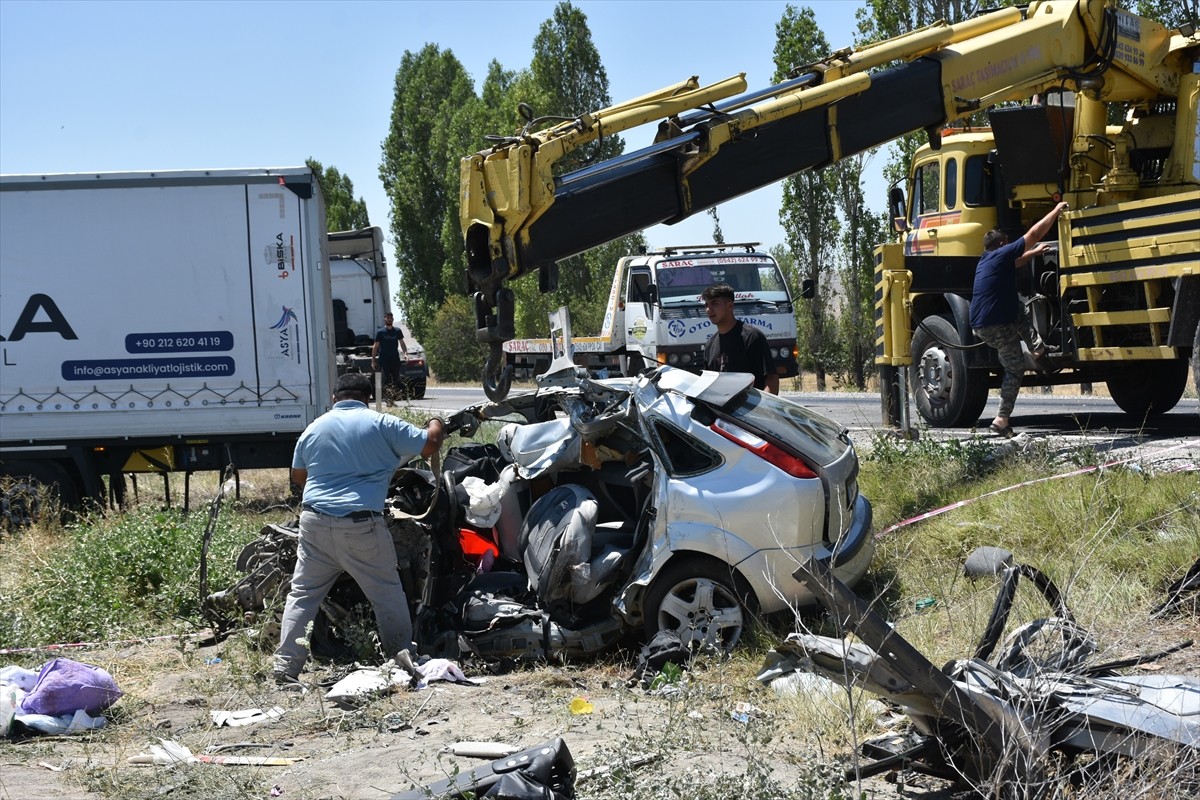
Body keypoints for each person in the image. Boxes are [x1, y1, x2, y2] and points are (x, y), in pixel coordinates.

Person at [272, 372, 444, 687]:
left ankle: (285, 670)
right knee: (386, 592)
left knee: (303, 595)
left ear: (335, 398)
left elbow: (298, 476)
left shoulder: (313, 428)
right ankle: (401, 657)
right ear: (367, 398)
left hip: (313, 523)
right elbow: (430, 445)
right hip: (360, 525)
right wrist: (436, 422)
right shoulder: (382, 424)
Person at [969, 201, 1069, 437]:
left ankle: (1037, 348)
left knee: (1019, 309)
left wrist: (1033, 254)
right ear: (1003, 244)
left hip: (981, 326)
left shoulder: (986, 260)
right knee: (1014, 369)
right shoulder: (1003, 252)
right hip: (997, 326)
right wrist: (1055, 211)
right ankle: (1002, 419)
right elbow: (1033, 234)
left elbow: (1015, 262)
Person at [701, 284, 779, 394]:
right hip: (722, 411)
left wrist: (763, 408)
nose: (709, 309)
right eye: (706, 305)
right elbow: (707, 386)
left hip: (750, 409)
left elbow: (771, 378)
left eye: (714, 303)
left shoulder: (752, 337)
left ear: (730, 305)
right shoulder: (709, 345)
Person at [371, 312, 407, 396]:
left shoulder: (397, 331)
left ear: (393, 319)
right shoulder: (380, 332)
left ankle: (394, 396)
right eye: (387, 318)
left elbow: (402, 343)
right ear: (384, 319)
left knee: (396, 380)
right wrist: (373, 360)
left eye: (390, 318)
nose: (389, 319)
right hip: (384, 359)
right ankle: (388, 399)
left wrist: (406, 354)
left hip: (395, 359)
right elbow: (375, 346)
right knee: (386, 379)